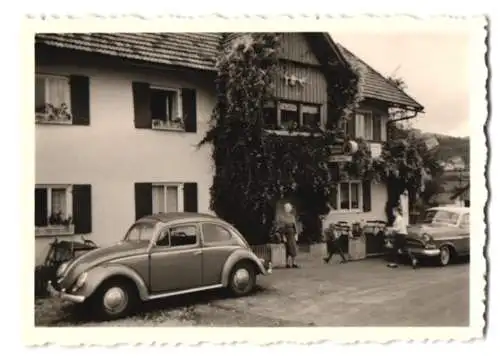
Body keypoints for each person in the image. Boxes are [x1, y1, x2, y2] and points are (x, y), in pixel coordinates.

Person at [277, 202, 300, 268]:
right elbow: (281, 227)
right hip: (286, 235)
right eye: (286, 208)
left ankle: (293, 263)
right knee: (287, 249)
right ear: (284, 209)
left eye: (289, 208)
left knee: (293, 249)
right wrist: (283, 236)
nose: (288, 209)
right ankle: (287, 263)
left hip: (292, 235)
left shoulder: (292, 216)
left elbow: (294, 225)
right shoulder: (282, 216)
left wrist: (296, 234)